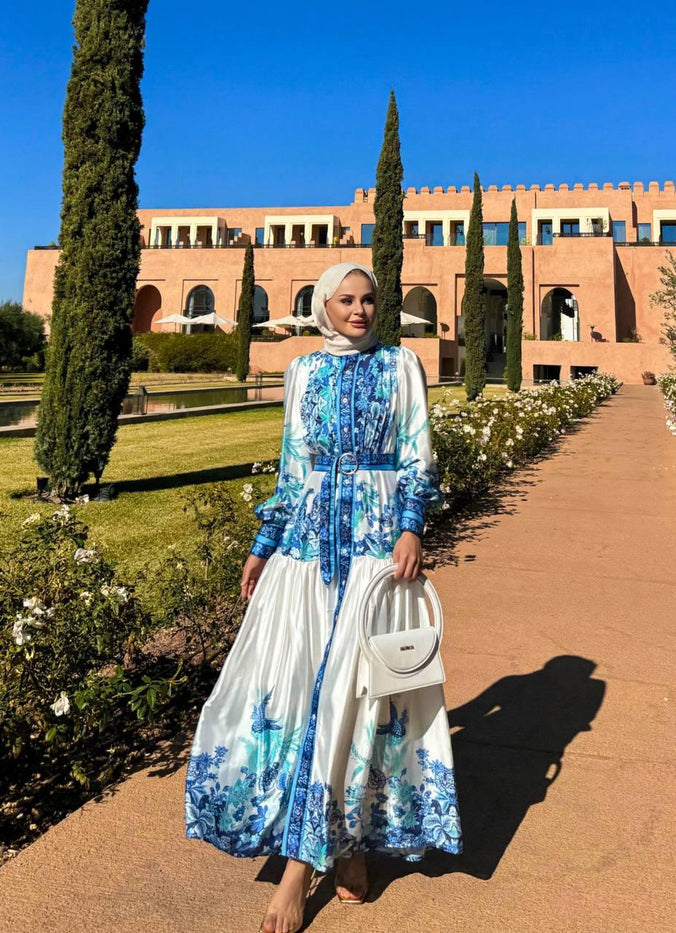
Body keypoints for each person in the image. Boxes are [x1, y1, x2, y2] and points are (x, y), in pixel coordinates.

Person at [184, 262, 462, 932]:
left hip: (374, 555)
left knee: (350, 697)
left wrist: (411, 526)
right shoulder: (302, 371)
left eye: (369, 300)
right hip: (306, 556)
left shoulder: (401, 367)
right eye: (347, 300)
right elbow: (292, 464)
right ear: (323, 306)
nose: (361, 310)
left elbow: (418, 456)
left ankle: (297, 871)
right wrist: (264, 539)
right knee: (298, 695)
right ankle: (347, 847)